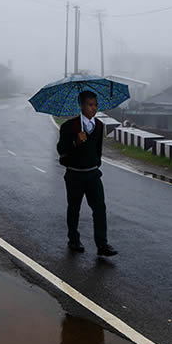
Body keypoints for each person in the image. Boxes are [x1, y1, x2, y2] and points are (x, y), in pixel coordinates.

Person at [56, 90, 118, 257]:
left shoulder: (98, 126)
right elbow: (61, 149)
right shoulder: (69, 127)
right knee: (74, 208)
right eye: (90, 105)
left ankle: (102, 244)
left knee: (99, 209)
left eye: (95, 105)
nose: (94, 108)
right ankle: (73, 239)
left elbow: (98, 149)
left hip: (93, 174)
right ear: (82, 106)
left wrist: (95, 163)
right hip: (74, 175)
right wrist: (76, 142)